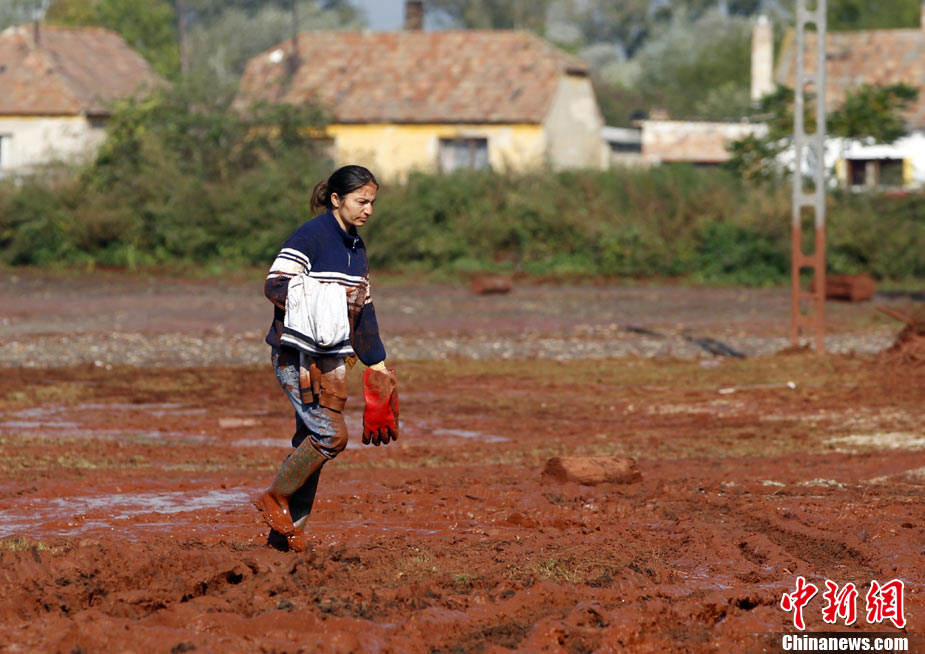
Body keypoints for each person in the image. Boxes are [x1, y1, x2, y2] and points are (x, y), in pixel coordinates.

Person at [255, 165, 399, 553]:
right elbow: (275, 285)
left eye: (372, 202)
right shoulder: (311, 236)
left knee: (310, 446)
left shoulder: (357, 248)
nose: (368, 210)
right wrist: (329, 302)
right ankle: (273, 498)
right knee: (330, 436)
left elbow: (364, 311)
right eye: (361, 201)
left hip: (333, 362)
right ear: (336, 199)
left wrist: (378, 365)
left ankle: (286, 540)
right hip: (295, 357)